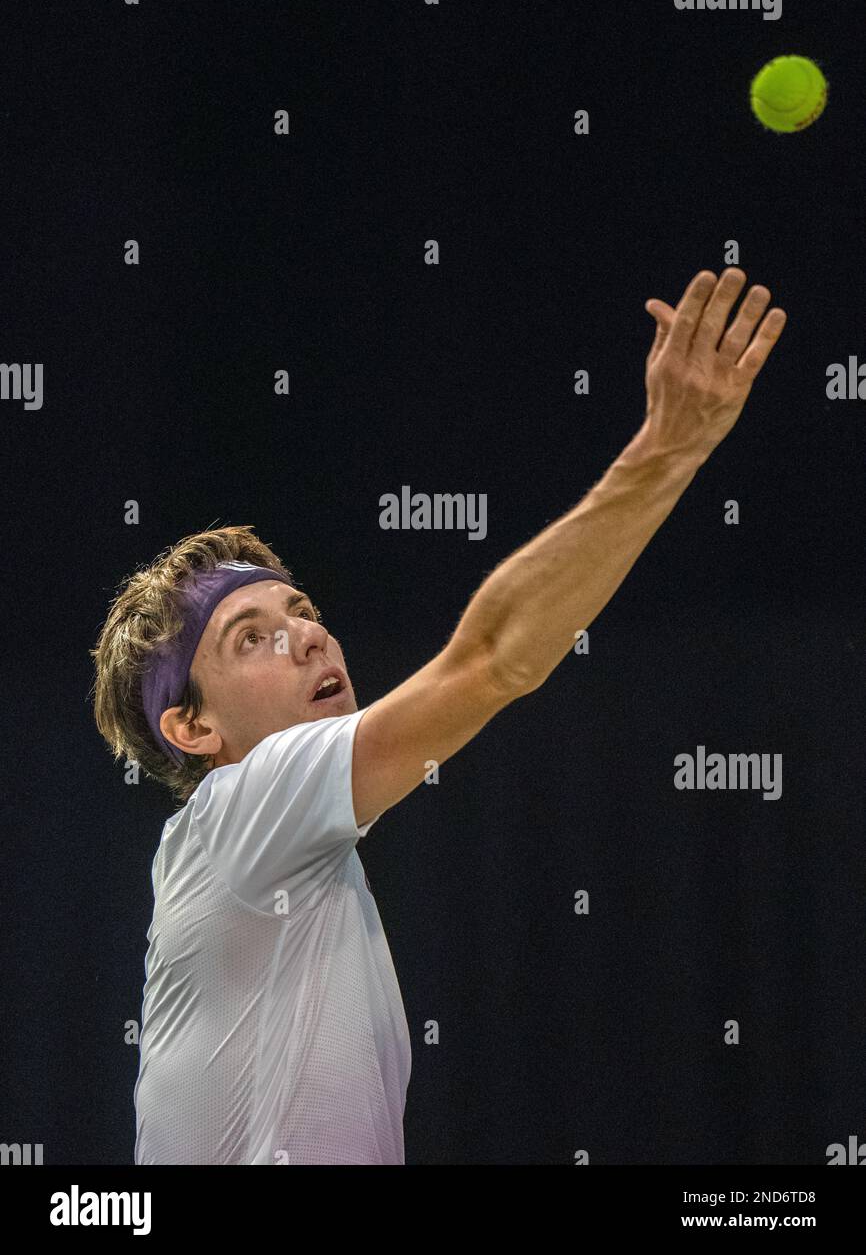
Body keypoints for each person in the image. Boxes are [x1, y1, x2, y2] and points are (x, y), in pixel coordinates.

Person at [90, 267, 787, 1164]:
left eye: (302, 611)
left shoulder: (296, 876)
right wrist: (668, 447)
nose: (306, 637)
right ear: (192, 729)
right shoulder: (237, 816)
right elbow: (497, 659)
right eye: (250, 637)